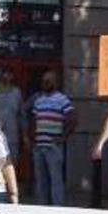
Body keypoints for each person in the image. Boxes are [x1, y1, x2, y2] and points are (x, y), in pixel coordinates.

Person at [30, 70, 76, 206]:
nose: (46, 83)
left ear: (55, 83)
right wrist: (32, 140)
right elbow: (34, 120)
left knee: (56, 180)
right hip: (39, 146)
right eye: (44, 81)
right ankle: (43, 208)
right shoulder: (38, 101)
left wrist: (63, 137)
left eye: (49, 81)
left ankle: (58, 208)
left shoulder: (62, 100)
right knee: (41, 181)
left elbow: (73, 119)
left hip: (54, 147)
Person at [0, 68, 25, 163]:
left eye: (7, 74)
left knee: (11, 163)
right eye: (2, 74)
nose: (5, 77)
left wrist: (25, 136)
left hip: (12, 135)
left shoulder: (16, 93)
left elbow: (22, 115)